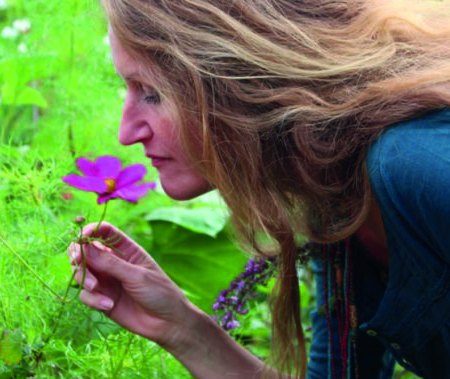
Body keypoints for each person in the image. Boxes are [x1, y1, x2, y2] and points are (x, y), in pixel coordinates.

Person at [67, 0, 450, 377]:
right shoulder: (336, 190)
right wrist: (181, 326)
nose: (127, 132)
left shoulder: (414, 166)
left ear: (235, 79)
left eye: (151, 92)